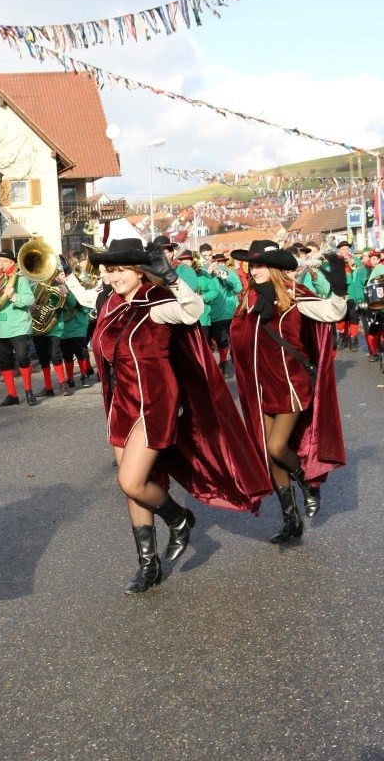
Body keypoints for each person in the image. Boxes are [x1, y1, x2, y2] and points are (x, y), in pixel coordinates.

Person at [88, 239, 271, 595]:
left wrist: (171, 277)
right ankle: (148, 565)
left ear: (139, 270)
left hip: (155, 401)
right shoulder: (110, 304)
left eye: (120, 269)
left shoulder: (155, 304)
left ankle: (179, 518)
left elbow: (192, 310)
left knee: (131, 480)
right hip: (120, 402)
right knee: (133, 489)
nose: (114, 277)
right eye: (109, 270)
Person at [229, 240, 347, 544]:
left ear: (278, 267)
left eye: (261, 264)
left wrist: (339, 287)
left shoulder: (294, 294)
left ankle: (309, 484)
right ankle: (291, 520)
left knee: (277, 447)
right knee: (270, 456)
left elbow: (333, 311)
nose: (255, 270)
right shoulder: (247, 299)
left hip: (290, 384)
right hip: (261, 387)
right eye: (252, 265)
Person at [0, 249, 36, 406]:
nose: (0, 264)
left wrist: (14, 296)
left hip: (18, 325)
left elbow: (30, 299)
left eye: (4, 261)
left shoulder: (20, 278)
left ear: (12, 263)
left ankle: (29, 390)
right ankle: (12, 395)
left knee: (23, 357)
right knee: (4, 361)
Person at [207, 253, 241, 379]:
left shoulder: (229, 272)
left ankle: (224, 362)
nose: (220, 265)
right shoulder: (206, 272)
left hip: (226, 312)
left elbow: (238, 288)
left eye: (223, 262)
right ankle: (211, 365)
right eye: (217, 262)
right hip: (208, 312)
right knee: (207, 340)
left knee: (223, 338)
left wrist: (225, 277)